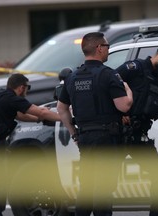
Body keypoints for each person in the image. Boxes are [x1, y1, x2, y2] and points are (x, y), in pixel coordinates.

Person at [57, 32, 133, 216]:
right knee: (104, 190)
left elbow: (61, 109)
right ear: (99, 48)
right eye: (106, 46)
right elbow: (124, 106)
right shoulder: (108, 75)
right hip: (107, 138)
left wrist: (74, 133)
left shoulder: (72, 77)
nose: (108, 49)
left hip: (85, 138)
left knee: (87, 188)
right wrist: (128, 90)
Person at [115, 41, 158, 216]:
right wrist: (119, 112)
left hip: (139, 135)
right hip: (119, 134)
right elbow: (108, 86)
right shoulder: (134, 68)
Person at [0, 73, 60, 216]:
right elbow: (41, 111)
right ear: (21, 87)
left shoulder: (3, 96)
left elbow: (20, 115)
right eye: (28, 88)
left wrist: (40, 120)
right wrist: (66, 118)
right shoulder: (13, 99)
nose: (27, 91)